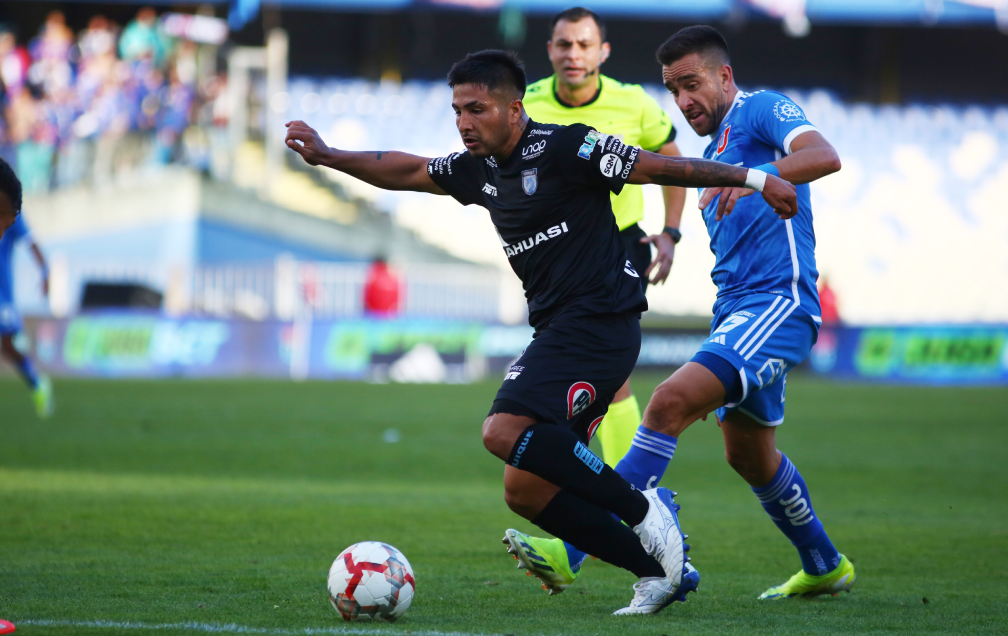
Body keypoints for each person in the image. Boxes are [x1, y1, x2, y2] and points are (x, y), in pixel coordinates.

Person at [284, 49, 796, 614]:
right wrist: (329, 156)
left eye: (476, 109)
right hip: (562, 328)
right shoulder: (480, 169)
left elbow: (656, 167)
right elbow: (407, 170)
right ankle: (658, 573)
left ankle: (644, 509)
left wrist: (754, 177)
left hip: (599, 322)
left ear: (514, 109)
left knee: (502, 430)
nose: (464, 123)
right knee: (524, 491)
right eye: (457, 111)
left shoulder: (567, 147)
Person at [510, 26, 855, 601]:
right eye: (674, 90)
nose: (684, 100)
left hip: (779, 303)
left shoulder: (760, 110)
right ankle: (825, 564)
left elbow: (824, 156)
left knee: (667, 402)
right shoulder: (712, 155)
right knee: (750, 456)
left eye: (692, 84)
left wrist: (760, 178)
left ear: (724, 76)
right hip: (736, 310)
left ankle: (571, 551)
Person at [523, 7, 686, 477]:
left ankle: (625, 490)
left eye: (584, 44)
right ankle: (609, 490)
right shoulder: (527, 105)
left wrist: (671, 232)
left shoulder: (633, 103)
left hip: (618, 249)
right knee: (576, 375)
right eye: (564, 44)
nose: (573, 54)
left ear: (603, 51)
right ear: (550, 50)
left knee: (607, 376)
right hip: (553, 253)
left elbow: (672, 164)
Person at [0, 157, 53, 418]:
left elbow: (31, 243)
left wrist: (45, 272)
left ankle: (37, 383)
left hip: (2, 292)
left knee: (7, 346)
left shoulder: (10, 212)